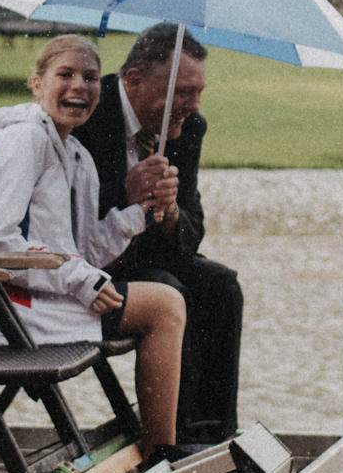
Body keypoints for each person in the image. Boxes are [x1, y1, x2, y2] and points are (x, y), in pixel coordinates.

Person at [0, 34, 189, 461]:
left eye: (91, 77)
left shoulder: (75, 156)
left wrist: (139, 211)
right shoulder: (22, 140)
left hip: (32, 297)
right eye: (65, 74)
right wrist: (81, 281)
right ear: (37, 84)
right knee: (164, 306)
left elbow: (84, 250)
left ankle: (159, 448)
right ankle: (161, 457)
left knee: (165, 304)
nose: (80, 86)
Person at [74, 23, 246, 449]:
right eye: (183, 92)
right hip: (87, 268)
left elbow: (193, 231)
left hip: (145, 258)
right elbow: (63, 218)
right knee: (170, 289)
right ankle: (170, 443)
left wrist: (169, 213)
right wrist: (126, 195)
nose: (193, 105)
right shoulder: (86, 116)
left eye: (199, 91)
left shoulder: (188, 127)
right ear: (133, 81)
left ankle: (210, 439)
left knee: (220, 285)